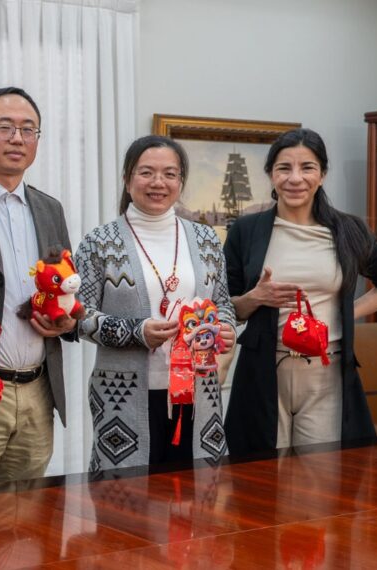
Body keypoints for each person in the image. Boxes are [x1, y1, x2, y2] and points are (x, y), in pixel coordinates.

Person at [223, 128, 377, 455]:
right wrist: (255, 298)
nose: (295, 178)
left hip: (327, 372)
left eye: (307, 167)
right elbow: (224, 306)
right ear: (270, 174)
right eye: (284, 168)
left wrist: (346, 313)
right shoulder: (246, 230)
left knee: (320, 482)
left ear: (322, 175)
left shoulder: (348, 230)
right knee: (260, 479)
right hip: (263, 373)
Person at [74, 135, 236, 471]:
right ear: (127, 179)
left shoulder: (205, 238)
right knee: (126, 503)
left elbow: (222, 303)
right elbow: (78, 316)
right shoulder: (100, 242)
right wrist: (137, 331)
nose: (158, 183)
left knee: (193, 499)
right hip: (123, 394)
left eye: (169, 174)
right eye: (146, 173)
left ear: (181, 181)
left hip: (197, 392)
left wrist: (226, 327)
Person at [0, 87, 73, 485]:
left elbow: (65, 287)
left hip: (37, 389)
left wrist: (67, 322)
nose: (18, 138)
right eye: (5, 127)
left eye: (29, 129)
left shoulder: (50, 208)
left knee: (29, 522)